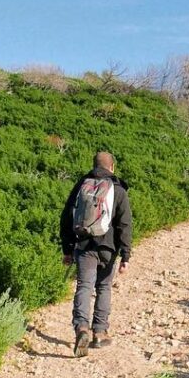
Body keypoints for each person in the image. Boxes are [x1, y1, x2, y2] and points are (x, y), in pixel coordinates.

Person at [59, 151, 133, 357]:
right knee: (103, 287)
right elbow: (125, 224)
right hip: (108, 248)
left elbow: (66, 217)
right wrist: (125, 256)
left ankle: (81, 328)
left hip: (84, 246)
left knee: (84, 286)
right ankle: (99, 333)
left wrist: (67, 249)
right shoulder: (118, 189)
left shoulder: (82, 186)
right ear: (112, 167)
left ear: (94, 165)